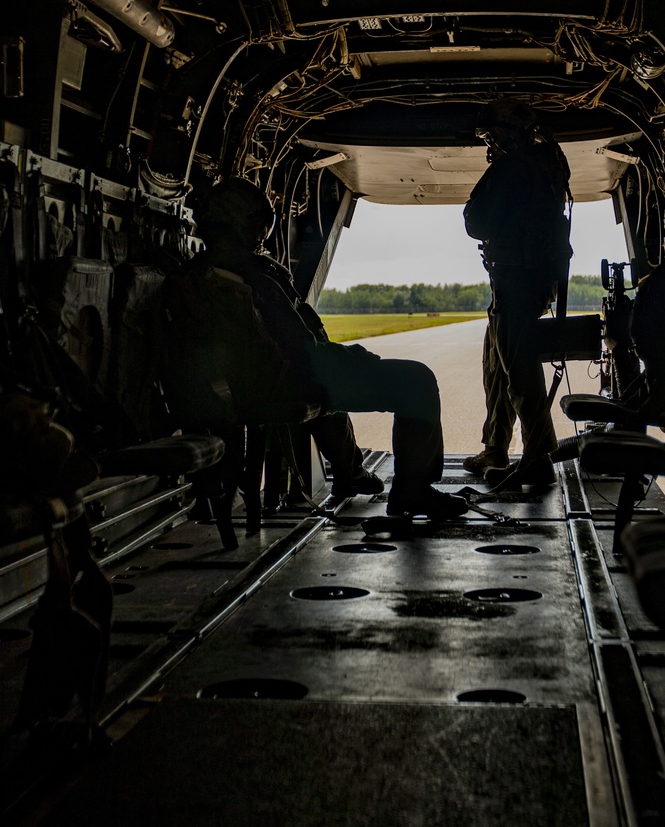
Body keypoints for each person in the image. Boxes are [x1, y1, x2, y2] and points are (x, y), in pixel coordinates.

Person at [166, 179, 466, 520]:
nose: (261, 236)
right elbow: (299, 346)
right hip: (288, 378)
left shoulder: (201, 274)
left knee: (337, 385)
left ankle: (351, 472)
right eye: (256, 226)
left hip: (259, 381)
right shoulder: (249, 274)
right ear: (241, 224)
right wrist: (352, 358)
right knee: (417, 380)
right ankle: (414, 490)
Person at [462, 101, 571, 489]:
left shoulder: (513, 168)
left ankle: (539, 455)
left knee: (518, 369)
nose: (490, 144)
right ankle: (495, 446)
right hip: (529, 282)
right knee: (498, 363)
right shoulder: (550, 166)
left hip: (517, 282)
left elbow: (476, 222)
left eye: (493, 136)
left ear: (509, 133)